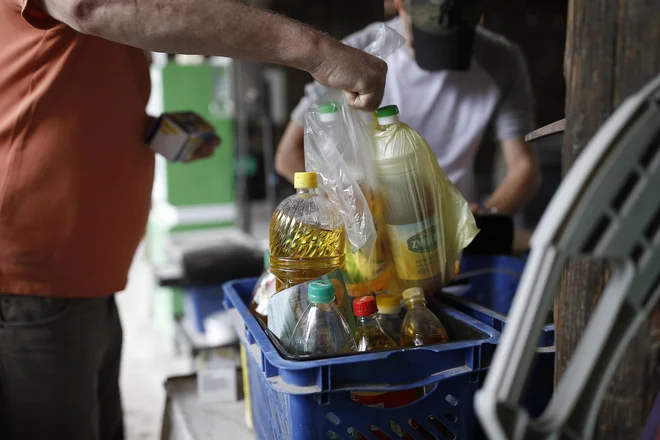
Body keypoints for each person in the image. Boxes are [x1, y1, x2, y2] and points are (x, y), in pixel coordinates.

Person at [0, 1, 387, 439]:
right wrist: (319, 51)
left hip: (85, 283)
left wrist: (149, 131)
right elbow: (87, 6)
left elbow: (56, 94)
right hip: (29, 282)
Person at [275, 0, 541, 216]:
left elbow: (523, 168)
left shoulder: (502, 61)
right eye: (427, 40)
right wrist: (351, 209)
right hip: (371, 222)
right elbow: (288, 155)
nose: (441, 56)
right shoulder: (357, 53)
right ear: (401, 6)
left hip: (452, 228)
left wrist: (483, 215)